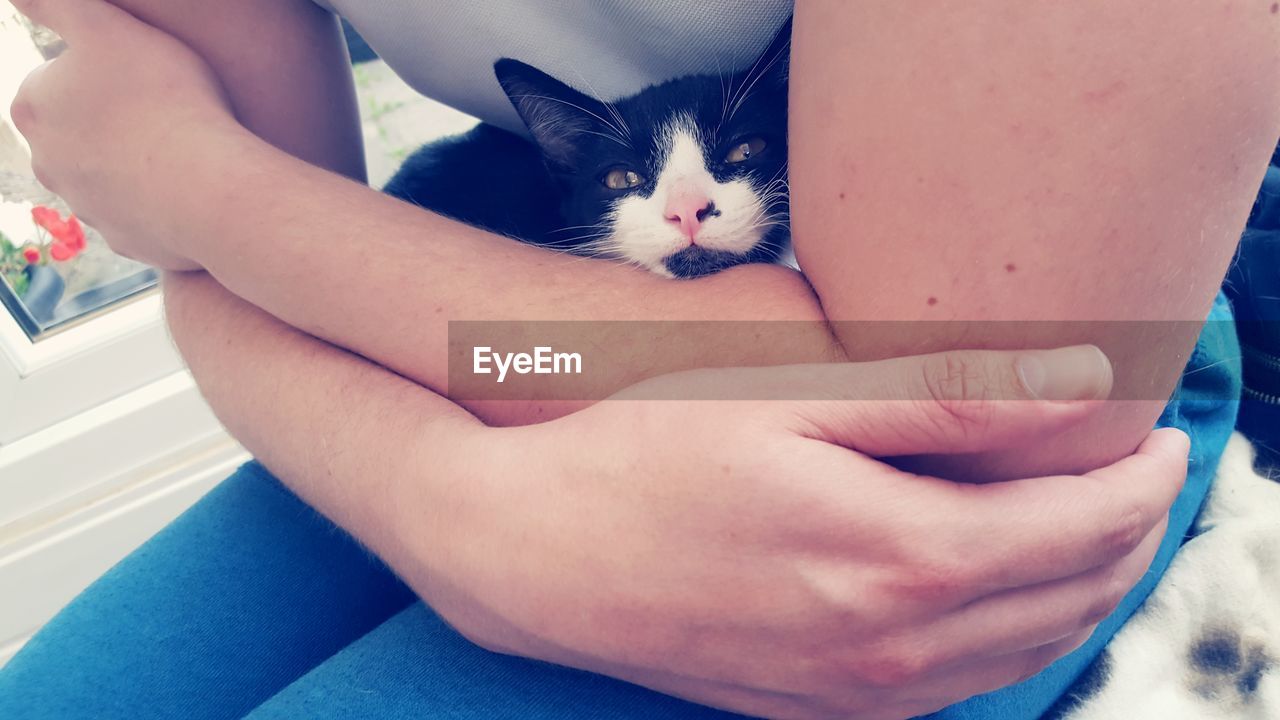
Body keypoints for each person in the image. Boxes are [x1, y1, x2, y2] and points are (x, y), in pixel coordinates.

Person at [0, 0, 1274, 717]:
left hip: (1013, 430)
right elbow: (255, 285)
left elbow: (953, 391)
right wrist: (439, 500)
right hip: (500, 311)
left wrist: (205, 184)